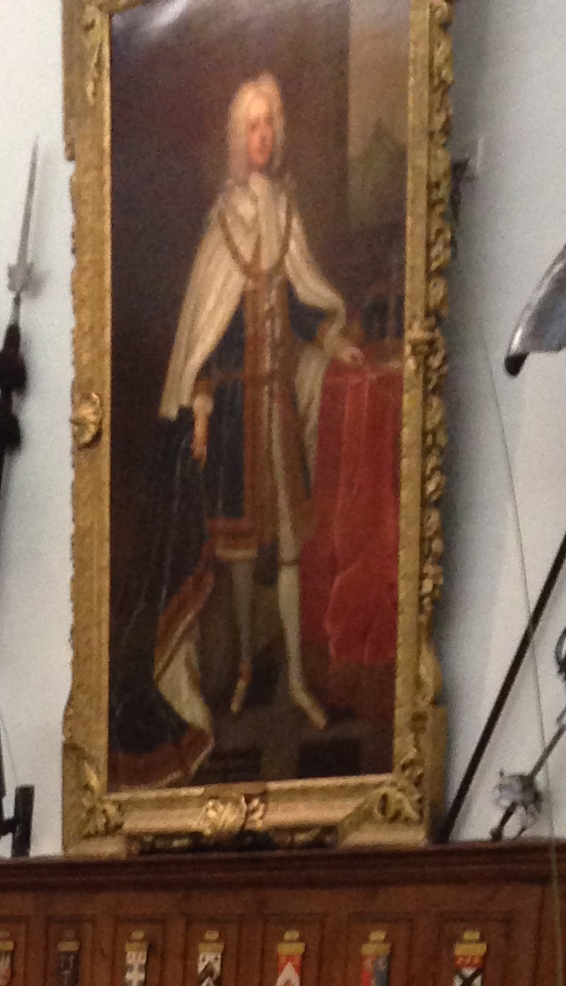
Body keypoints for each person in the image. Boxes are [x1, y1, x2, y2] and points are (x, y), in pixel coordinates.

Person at [151, 71, 347, 738]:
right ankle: (238, 667)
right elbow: (205, 336)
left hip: (276, 409)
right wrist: (201, 409)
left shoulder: (285, 212)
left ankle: (293, 677)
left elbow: (295, 307)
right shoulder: (223, 224)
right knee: (237, 552)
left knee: (289, 549)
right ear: (238, 138)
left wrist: (328, 336)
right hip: (234, 413)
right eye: (251, 127)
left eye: (270, 125)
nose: (261, 137)